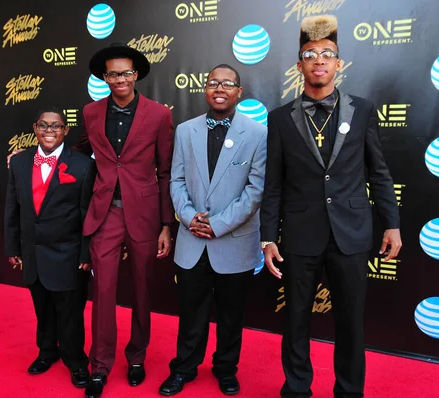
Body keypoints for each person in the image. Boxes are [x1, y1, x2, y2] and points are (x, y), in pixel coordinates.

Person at [260, 15, 402, 398]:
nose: (319, 60)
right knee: (295, 321)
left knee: (351, 323)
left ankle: (349, 391)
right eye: (310, 54)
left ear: (339, 63)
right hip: (300, 236)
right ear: (299, 64)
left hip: (351, 234)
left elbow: (380, 173)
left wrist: (392, 225)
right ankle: (296, 389)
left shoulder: (364, 109)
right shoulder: (278, 119)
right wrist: (267, 238)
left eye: (328, 54)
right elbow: (273, 184)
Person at [159, 64, 267, 396]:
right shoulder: (185, 131)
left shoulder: (258, 133)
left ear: (239, 92)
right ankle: (184, 368)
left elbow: (255, 190)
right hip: (192, 240)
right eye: (213, 83)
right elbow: (175, 180)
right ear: (205, 89)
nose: (219, 88)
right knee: (191, 313)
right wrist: (189, 217)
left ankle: (225, 369)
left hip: (234, 242)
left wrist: (218, 225)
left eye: (227, 84)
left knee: (232, 315)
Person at [77, 42, 175, 398]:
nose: (120, 79)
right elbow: (79, 151)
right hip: (105, 213)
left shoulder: (160, 114)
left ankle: (137, 356)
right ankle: (99, 366)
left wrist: (167, 224)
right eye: (113, 74)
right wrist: (32, 154)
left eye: (126, 73)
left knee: (142, 290)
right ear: (104, 78)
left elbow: (165, 171)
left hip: (146, 215)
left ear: (137, 76)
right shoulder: (89, 112)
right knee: (102, 292)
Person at [4, 107, 96, 389]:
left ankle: (76, 361)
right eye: (43, 125)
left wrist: (85, 252)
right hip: (32, 253)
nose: (49, 131)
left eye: (55, 126)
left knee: (70, 313)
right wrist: (12, 246)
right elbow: (12, 208)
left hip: (68, 255)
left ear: (65, 131)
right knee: (41, 309)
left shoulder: (82, 165)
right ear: (35, 128)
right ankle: (46, 352)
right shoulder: (18, 163)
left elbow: (87, 214)